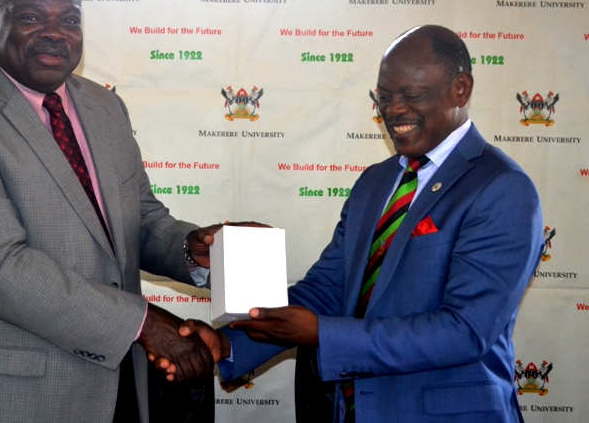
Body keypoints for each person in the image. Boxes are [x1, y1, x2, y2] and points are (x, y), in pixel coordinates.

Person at [172, 25, 544, 422]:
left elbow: (465, 330)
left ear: (461, 89)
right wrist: (228, 344)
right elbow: (327, 290)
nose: (393, 109)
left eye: (411, 95)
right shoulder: (376, 181)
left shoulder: (501, 187)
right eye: (384, 97)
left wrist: (322, 334)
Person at [0, 0, 222, 423]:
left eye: (69, 19)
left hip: (119, 385)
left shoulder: (104, 105)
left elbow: (139, 219)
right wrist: (142, 322)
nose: (56, 32)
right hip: (11, 395)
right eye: (32, 16)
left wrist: (193, 250)